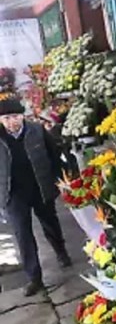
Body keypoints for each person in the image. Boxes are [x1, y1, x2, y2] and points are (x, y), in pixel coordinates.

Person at [0, 96, 71, 296]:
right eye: (6, 118)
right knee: (22, 234)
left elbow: (54, 156)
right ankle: (34, 277)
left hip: (40, 186)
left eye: (15, 116)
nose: (11, 122)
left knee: (50, 223)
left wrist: (59, 180)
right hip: (13, 193)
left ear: (22, 116)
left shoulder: (37, 131)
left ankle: (61, 251)